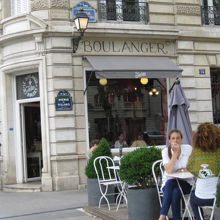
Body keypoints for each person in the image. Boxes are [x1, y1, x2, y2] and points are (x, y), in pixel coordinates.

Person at [187, 122, 220, 220]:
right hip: (217, 198)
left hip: (200, 198)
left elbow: (189, 167)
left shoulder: (196, 152)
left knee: (192, 199)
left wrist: (201, 173)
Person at [158, 129, 193, 220]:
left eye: (178, 138)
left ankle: (162, 216)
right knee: (175, 190)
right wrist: (175, 153)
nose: (175, 140)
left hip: (186, 182)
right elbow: (169, 171)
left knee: (175, 188)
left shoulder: (188, 148)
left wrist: (185, 169)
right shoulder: (165, 151)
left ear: (181, 139)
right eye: (173, 138)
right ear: (169, 140)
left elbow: (194, 165)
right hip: (170, 183)